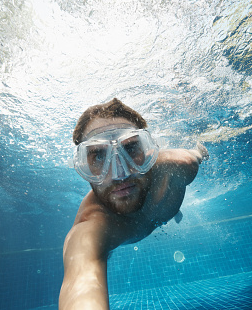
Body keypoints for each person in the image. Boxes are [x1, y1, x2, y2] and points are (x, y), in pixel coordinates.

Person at [59, 98, 208, 310]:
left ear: (149, 150)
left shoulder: (180, 166)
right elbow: (81, 280)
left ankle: (175, 211)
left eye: (130, 148)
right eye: (99, 155)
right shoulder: (91, 228)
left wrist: (199, 152)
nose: (120, 173)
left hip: (167, 203)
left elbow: (196, 155)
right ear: (83, 167)